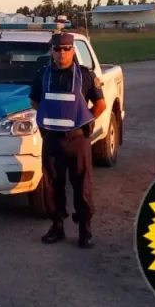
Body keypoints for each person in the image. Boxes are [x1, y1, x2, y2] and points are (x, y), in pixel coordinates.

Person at [29, 31, 106, 248]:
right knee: (52, 185)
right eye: (57, 49)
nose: (62, 53)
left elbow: (100, 105)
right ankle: (57, 227)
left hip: (77, 141)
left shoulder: (85, 75)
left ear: (73, 50)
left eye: (66, 49)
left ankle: (85, 229)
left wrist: (85, 121)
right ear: (51, 52)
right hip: (52, 141)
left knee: (83, 186)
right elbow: (36, 102)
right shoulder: (42, 75)